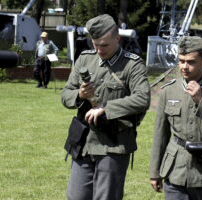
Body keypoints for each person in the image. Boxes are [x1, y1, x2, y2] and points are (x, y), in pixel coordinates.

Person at [61, 14, 150, 200]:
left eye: (104, 45)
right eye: (95, 44)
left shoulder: (132, 65)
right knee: (75, 196)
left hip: (113, 144)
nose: (99, 50)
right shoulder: (85, 59)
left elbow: (142, 99)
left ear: (117, 38)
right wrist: (79, 95)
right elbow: (65, 94)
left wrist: (106, 109)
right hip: (84, 143)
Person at [149, 36, 202, 200]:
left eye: (191, 62)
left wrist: (201, 102)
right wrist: (154, 172)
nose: (184, 66)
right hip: (176, 172)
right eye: (181, 61)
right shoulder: (169, 90)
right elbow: (160, 134)